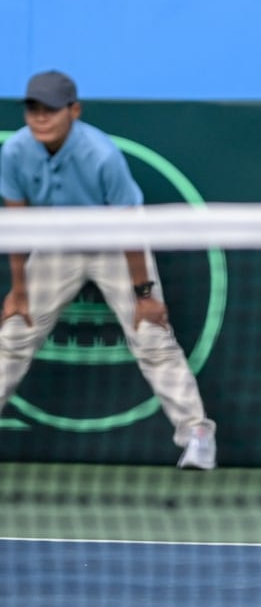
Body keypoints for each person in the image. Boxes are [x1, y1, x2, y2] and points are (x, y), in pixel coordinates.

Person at [0, 70, 217, 469]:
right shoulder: (14, 152)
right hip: (55, 246)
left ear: (74, 110)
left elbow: (129, 227)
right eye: (33, 109)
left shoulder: (100, 156)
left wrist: (144, 295)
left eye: (50, 109)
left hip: (115, 245)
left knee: (151, 336)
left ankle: (197, 433)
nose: (40, 117)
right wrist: (18, 290)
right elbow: (17, 223)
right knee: (13, 334)